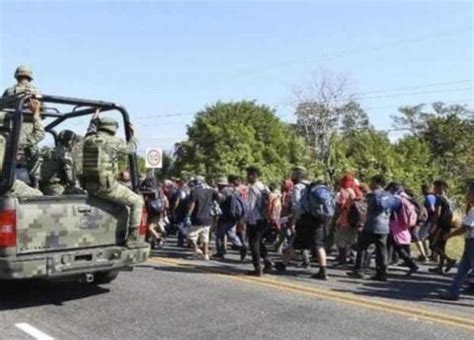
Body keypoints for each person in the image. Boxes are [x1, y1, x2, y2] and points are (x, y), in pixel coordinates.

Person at [82, 114, 144, 248]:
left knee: (121, 206)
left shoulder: (88, 140)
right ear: (112, 129)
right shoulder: (113, 141)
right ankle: (132, 238)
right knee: (137, 201)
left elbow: (90, 131)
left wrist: (94, 119)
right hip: (106, 187)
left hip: (89, 185)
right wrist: (134, 135)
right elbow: (131, 149)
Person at [347, 175, 396, 281]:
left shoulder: (372, 195)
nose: (370, 184)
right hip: (384, 226)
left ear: (377, 183)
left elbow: (367, 207)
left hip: (371, 225)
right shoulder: (389, 195)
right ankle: (382, 272)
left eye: (372, 182)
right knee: (382, 250)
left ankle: (359, 270)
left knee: (363, 248)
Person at [3, 66, 45, 188]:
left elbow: (2, 107)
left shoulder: (9, 91)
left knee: (9, 153)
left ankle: (7, 181)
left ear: (17, 76)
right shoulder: (37, 92)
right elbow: (43, 111)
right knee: (33, 154)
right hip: (32, 126)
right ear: (30, 77)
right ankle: (35, 182)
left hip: (14, 126)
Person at [441, 184, 474, 300]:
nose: (467, 196)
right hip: (470, 241)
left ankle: (453, 292)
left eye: (469, 193)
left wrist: (449, 235)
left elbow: (465, 228)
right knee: (463, 268)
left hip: (472, 242)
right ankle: (453, 292)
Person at [246, 166, 272, 276]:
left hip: (255, 219)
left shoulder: (253, 188)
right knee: (259, 241)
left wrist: (245, 219)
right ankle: (267, 260)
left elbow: (250, 206)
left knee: (254, 243)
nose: (247, 177)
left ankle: (257, 267)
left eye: (248, 175)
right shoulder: (264, 187)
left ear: (253, 175)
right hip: (264, 218)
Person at [213, 176, 247, 260]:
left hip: (224, 216)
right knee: (231, 234)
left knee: (219, 234)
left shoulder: (222, 193)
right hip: (234, 216)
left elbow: (218, 205)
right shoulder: (234, 191)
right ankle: (241, 246)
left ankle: (221, 252)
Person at [185, 176, 219, 260]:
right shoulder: (210, 190)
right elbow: (217, 198)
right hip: (208, 217)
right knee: (205, 237)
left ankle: (196, 249)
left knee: (191, 235)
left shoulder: (194, 191)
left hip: (197, 217)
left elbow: (192, 204)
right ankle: (206, 254)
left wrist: (188, 215)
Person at [429, 180, 457, 274]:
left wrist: (433, 226)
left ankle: (449, 260)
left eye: (435, 187)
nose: (434, 189)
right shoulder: (449, 199)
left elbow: (437, 213)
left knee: (433, 245)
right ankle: (440, 267)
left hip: (440, 225)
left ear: (441, 187)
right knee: (442, 246)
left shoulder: (439, 198)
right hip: (447, 225)